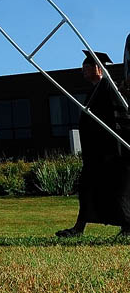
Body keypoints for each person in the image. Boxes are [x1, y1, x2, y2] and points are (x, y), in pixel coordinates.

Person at [56, 51, 130, 237]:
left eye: (87, 67)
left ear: (99, 69)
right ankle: (79, 228)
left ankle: (126, 227)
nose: (84, 71)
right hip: (95, 154)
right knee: (88, 189)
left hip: (110, 154)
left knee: (114, 191)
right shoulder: (96, 89)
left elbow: (117, 120)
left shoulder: (108, 89)